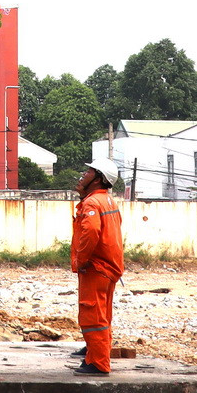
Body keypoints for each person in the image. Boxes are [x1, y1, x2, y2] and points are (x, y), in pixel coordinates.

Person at [71, 161, 125, 376]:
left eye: (88, 172)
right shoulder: (107, 200)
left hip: (96, 267)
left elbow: (91, 233)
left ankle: (98, 362)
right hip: (109, 266)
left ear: (98, 179)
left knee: (92, 315)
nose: (83, 175)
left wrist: (80, 260)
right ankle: (94, 350)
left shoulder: (92, 203)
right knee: (103, 313)